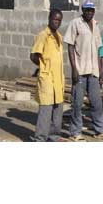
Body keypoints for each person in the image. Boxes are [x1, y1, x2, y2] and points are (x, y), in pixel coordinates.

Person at [63, 0, 103, 140]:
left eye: (92, 10)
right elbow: (70, 46)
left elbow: (99, 49)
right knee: (77, 103)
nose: (89, 12)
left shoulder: (96, 24)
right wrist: (74, 69)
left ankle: (99, 130)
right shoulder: (75, 23)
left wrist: (101, 72)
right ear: (83, 10)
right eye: (87, 9)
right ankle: (76, 132)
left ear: (94, 11)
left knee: (96, 102)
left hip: (93, 71)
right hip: (80, 71)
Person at [28, 9, 66, 142]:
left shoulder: (59, 37)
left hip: (58, 80)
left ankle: (54, 136)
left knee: (57, 111)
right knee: (46, 111)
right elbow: (33, 56)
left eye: (59, 20)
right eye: (55, 19)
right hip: (47, 79)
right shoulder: (43, 35)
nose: (57, 22)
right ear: (49, 19)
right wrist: (43, 66)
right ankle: (40, 138)